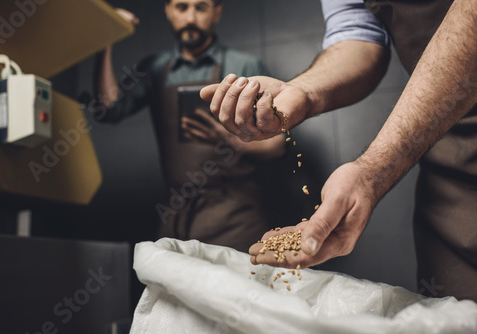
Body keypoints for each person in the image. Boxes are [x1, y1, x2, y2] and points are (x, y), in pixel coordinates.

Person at [201, 0, 477, 301]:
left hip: (423, 130)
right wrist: (302, 91)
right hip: (447, 163)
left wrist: (374, 170)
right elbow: (358, 32)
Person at [93, 0, 285, 253]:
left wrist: (230, 140)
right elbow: (108, 108)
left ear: (217, 12)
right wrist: (104, 38)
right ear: (168, 11)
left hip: (238, 217)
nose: (191, 17)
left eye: (201, 7)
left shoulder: (246, 67)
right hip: (177, 217)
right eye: (182, 7)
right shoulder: (154, 68)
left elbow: (278, 146)